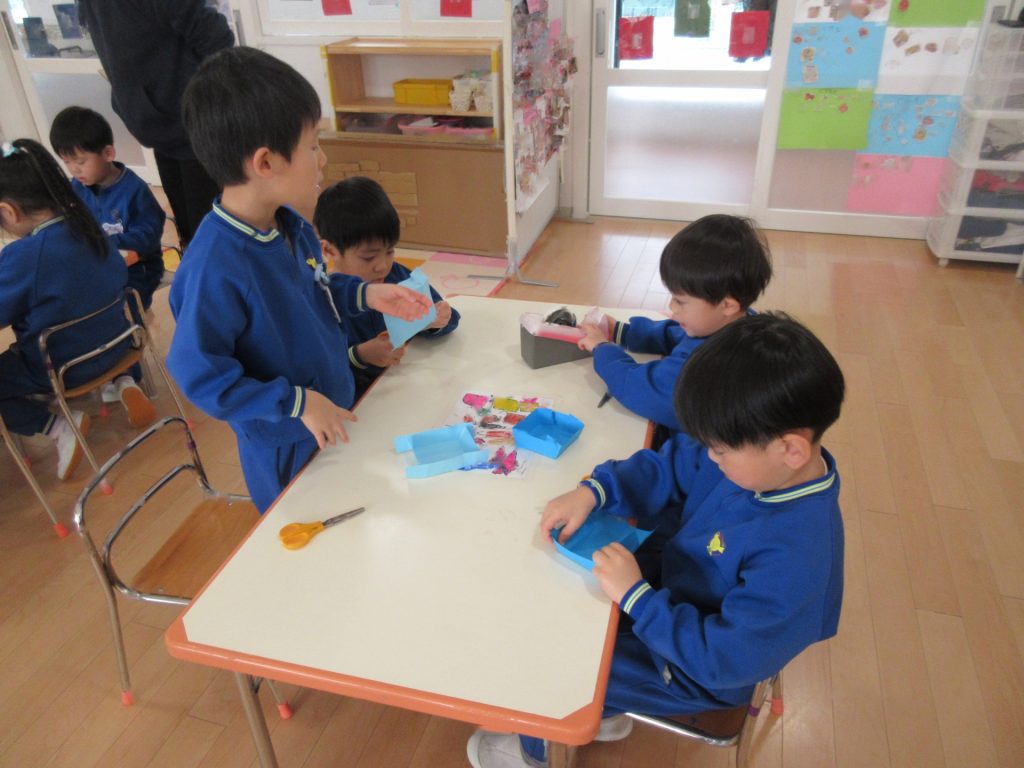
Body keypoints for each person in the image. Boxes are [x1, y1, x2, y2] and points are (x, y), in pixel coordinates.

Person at [467, 312, 846, 768]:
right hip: (672, 591)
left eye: (720, 450)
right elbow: (673, 464)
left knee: (557, 665)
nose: (710, 457)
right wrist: (595, 490)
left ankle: (536, 753)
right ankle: (606, 711)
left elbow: (723, 659)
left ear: (791, 449)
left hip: (693, 665)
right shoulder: (757, 456)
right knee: (556, 602)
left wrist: (638, 599)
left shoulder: (801, 555)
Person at [167, 47, 432, 513]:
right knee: (308, 533)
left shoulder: (289, 225)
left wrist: (368, 293)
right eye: (313, 145)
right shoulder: (215, 267)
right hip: (287, 442)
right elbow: (201, 375)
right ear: (266, 163)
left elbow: (315, 292)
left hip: (333, 414)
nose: (322, 159)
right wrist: (297, 403)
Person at [0, 138, 142, 480]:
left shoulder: (25, 257)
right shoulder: (89, 227)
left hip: (66, 368)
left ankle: (56, 426)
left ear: (9, 211)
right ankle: (126, 383)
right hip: (120, 345)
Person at [576, 214, 772, 435]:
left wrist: (602, 349)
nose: (672, 306)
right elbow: (676, 335)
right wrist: (623, 332)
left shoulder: (708, 369)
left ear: (727, 305)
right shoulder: (737, 323)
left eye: (680, 301)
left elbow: (638, 389)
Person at [76, 0, 234, 249]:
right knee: (189, 230)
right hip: (159, 126)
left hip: (194, 127)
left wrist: (202, 103)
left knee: (209, 232)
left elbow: (217, 37)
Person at [313, 176, 460, 401]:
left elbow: (449, 317)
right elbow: (319, 372)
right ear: (330, 251)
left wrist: (435, 321)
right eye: (368, 257)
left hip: (410, 389)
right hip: (363, 402)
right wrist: (359, 355)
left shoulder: (397, 276)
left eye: (390, 251)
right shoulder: (324, 299)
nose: (382, 266)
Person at [49, 106, 167, 312]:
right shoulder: (78, 186)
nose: (74, 169)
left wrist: (102, 242)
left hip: (138, 269)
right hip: (100, 263)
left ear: (108, 153)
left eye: (80, 161)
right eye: (67, 162)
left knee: (122, 310)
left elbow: (148, 238)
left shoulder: (134, 190)